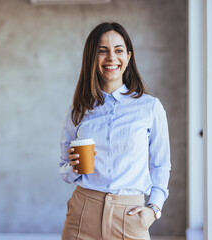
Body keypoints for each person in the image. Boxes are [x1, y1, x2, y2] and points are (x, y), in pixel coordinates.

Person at [59, 22, 171, 240]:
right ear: (92, 57)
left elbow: (161, 163)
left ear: (128, 57)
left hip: (130, 217)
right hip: (83, 214)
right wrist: (74, 168)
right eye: (103, 51)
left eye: (118, 50)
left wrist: (154, 209)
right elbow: (64, 170)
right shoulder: (78, 111)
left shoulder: (150, 107)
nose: (111, 57)